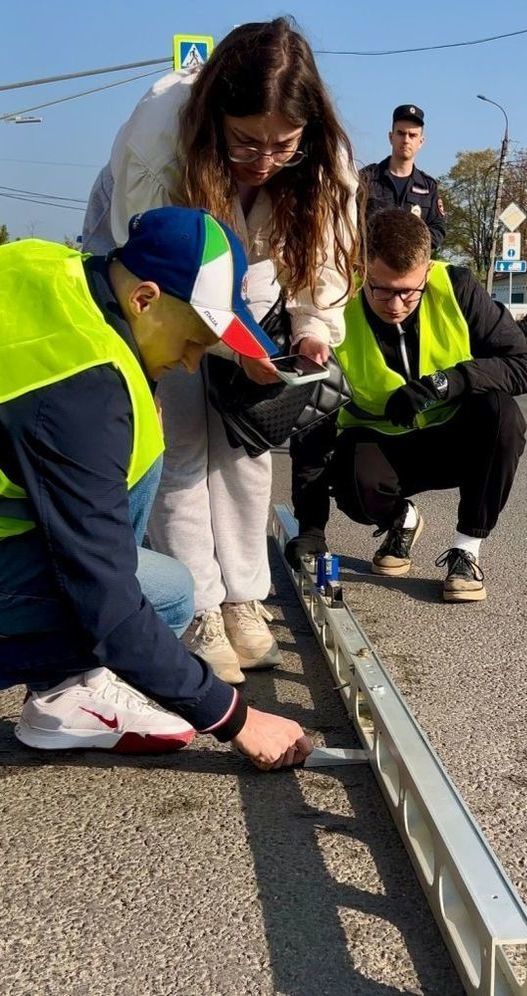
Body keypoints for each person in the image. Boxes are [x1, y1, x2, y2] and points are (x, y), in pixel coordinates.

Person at [83, 19, 358, 685]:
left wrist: (310, 330)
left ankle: (244, 595)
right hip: (162, 263)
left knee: (244, 440)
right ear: (213, 118)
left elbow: (321, 258)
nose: (264, 162)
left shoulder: (326, 160)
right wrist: (237, 347)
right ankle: (199, 604)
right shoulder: (160, 131)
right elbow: (161, 269)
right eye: (245, 142)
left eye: (282, 147)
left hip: (253, 259)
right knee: (181, 441)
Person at [0, 205, 313, 769]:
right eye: (195, 340)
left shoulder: (49, 266)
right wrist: (234, 717)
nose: (194, 363)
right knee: (142, 599)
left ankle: (65, 683)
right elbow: (106, 599)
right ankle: (68, 688)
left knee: (168, 589)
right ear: (144, 298)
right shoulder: (84, 394)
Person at [287, 210, 527, 602]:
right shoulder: (336, 306)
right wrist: (311, 530)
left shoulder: (455, 287)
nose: (396, 304)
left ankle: (465, 550)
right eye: (382, 290)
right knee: (354, 488)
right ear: (362, 268)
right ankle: (401, 519)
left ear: (425, 271)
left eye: (409, 291)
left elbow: (525, 365)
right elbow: (311, 425)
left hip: (453, 438)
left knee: (503, 415)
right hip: (382, 439)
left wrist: (448, 383)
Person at [360, 105, 446, 251]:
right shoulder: (366, 179)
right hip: (371, 267)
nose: (406, 140)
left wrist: (409, 244)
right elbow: (348, 221)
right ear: (390, 137)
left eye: (412, 135)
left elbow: (438, 230)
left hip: (410, 268)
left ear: (421, 142)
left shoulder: (428, 187)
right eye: (401, 133)